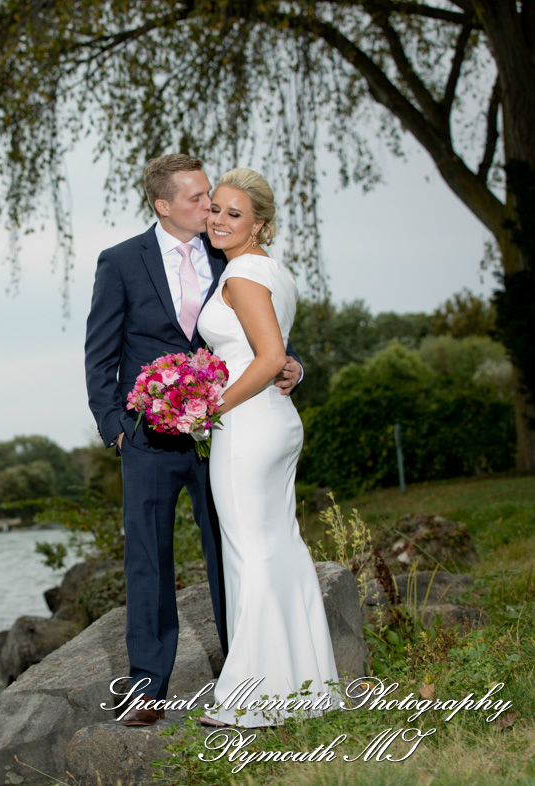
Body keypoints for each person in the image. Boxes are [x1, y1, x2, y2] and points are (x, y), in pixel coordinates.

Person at [84, 154, 303, 726]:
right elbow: (100, 353)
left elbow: (259, 332)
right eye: (198, 198)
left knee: (229, 550)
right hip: (147, 438)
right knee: (148, 561)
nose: (210, 206)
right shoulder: (120, 261)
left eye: (213, 196)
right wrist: (115, 429)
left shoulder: (227, 251)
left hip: (224, 432)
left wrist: (292, 365)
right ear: (163, 205)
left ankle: (245, 675)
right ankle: (146, 691)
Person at [196, 168, 338, 728]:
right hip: (274, 420)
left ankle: (251, 698)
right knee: (281, 547)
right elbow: (278, 354)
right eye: (215, 209)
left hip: (247, 426)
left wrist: (211, 408)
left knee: (248, 551)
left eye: (234, 214)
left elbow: (271, 356)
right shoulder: (272, 271)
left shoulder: (241, 275)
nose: (219, 220)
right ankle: (306, 687)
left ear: (258, 223)